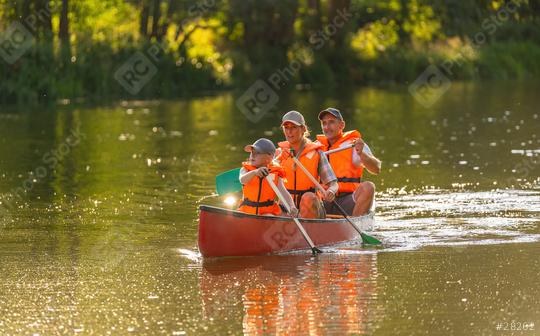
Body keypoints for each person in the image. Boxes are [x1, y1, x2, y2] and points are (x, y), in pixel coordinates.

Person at [316, 107, 381, 216]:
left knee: (369, 187)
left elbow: (376, 169)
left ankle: (354, 226)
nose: (327, 127)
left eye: (331, 122)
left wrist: (362, 154)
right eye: (324, 123)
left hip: (348, 200)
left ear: (342, 125)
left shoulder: (353, 145)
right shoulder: (316, 147)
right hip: (324, 199)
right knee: (306, 196)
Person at [276, 111, 338, 219]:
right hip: (287, 208)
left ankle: (304, 225)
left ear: (303, 129)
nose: (289, 131)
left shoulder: (317, 153)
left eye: (294, 127)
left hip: (311, 207)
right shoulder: (279, 154)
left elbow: (334, 184)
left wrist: (331, 191)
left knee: (308, 197)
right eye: (286, 127)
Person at [238, 138, 298, 217]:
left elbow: (283, 192)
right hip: (247, 211)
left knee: (269, 216)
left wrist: (292, 206)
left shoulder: (275, 173)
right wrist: (255, 172)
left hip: (266, 213)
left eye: (257, 153)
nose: (252, 155)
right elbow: (242, 180)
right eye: (252, 152)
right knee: (238, 215)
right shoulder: (245, 169)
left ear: (269, 157)